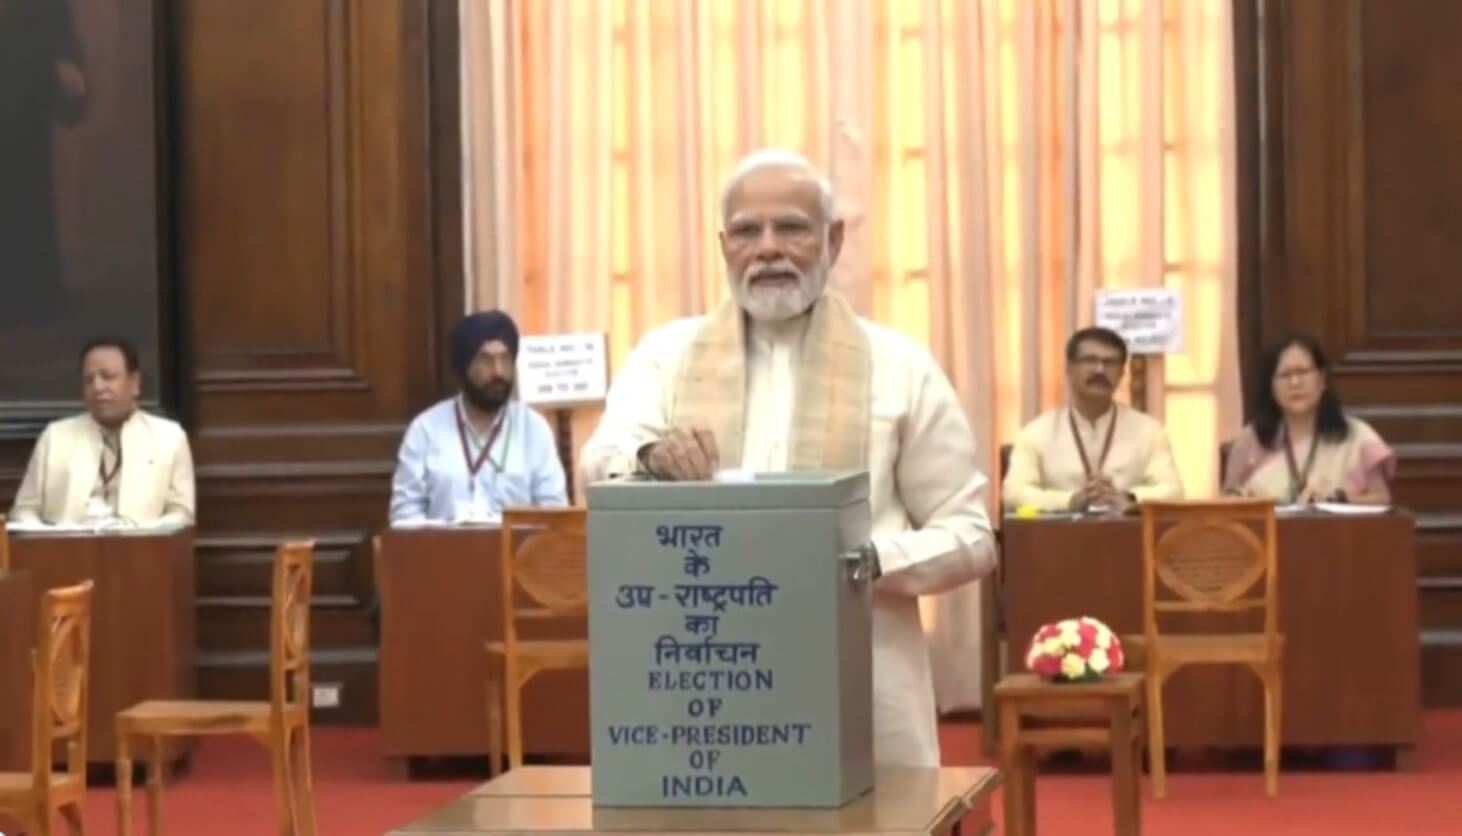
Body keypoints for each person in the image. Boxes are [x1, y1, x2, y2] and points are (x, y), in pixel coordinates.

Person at [579, 149, 996, 767]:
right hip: (705, 675)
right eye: (748, 231)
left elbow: (971, 536)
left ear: (833, 238)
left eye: (792, 228)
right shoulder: (666, 357)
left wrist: (863, 561)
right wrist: (652, 454)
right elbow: (600, 466)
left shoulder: (899, 366)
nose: (768, 248)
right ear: (725, 247)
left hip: (861, 665)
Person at [389, 310, 568, 524]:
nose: (498, 372)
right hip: (443, 555)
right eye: (486, 360)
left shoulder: (533, 429)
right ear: (464, 367)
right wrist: (452, 532)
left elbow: (555, 516)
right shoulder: (426, 430)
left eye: (506, 359)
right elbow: (403, 519)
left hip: (515, 555)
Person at [11, 338, 194, 526]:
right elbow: (24, 510)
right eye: (89, 380)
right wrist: (48, 538)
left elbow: (181, 514)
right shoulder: (55, 437)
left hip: (142, 550)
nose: (97, 387)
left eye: (108, 377)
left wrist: (142, 534)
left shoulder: (169, 437)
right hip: (67, 551)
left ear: (134, 382)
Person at [1002, 326, 1184, 514]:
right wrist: (1070, 500)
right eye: (1090, 360)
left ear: (1122, 373)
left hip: (1126, 537)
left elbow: (1174, 491)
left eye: (1110, 363)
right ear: (1069, 369)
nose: (1100, 370)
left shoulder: (1148, 430)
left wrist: (1128, 497)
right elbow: (1013, 494)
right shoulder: (1037, 432)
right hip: (1058, 537)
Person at [1223, 334, 1394, 504]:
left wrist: (1338, 499)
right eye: (1284, 375)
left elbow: (1381, 500)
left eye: (1303, 372)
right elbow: (1228, 501)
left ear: (1322, 379)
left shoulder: (1357, 437)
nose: (1295, 383)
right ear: (1271, 386)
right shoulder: (1251, 440)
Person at [0, 0, 88, 326]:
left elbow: (62, 48)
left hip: (24, 124)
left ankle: (28, 297)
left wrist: (70, 76)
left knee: (24, 204)